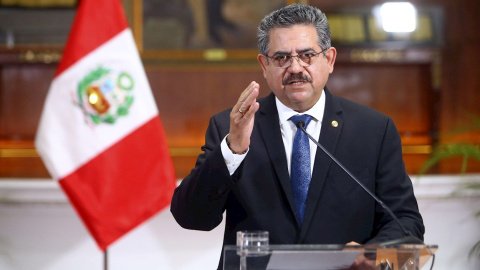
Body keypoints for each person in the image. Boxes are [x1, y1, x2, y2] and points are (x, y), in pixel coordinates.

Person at [170, 3, 425, 269]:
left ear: (329, 59)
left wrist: (373, 254)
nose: (294, 67)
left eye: (307, 55)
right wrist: (232, 150)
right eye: (281, 57)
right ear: (264, 65)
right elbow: (191, 218)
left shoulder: (373, 130)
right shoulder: (231, 127)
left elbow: (406, 223)